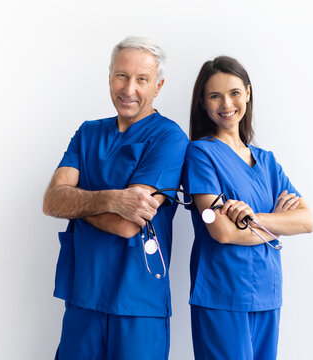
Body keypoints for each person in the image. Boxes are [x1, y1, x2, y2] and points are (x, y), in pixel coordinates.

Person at [43, 36, 189, 360]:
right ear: (110, 76)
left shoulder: (169, 138)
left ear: (158, 85)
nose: (129, 89)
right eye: (122, 75)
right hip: (83, 297)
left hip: (139, 304)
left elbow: (127, 225)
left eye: (142, 79)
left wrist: (76, 203)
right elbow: (51, 201)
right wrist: (111, 198)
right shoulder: (88, 132)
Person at [182, 56, 313, 359]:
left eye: (234, 93)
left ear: (248, 93)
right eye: (214, 95)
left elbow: (307, 221)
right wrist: (278, 224)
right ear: (202, 102)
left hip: (268, 293)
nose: (226, 103)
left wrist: (253, 219)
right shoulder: (201, 154)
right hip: (221, 294)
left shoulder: (267, 161)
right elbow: (222, 232)